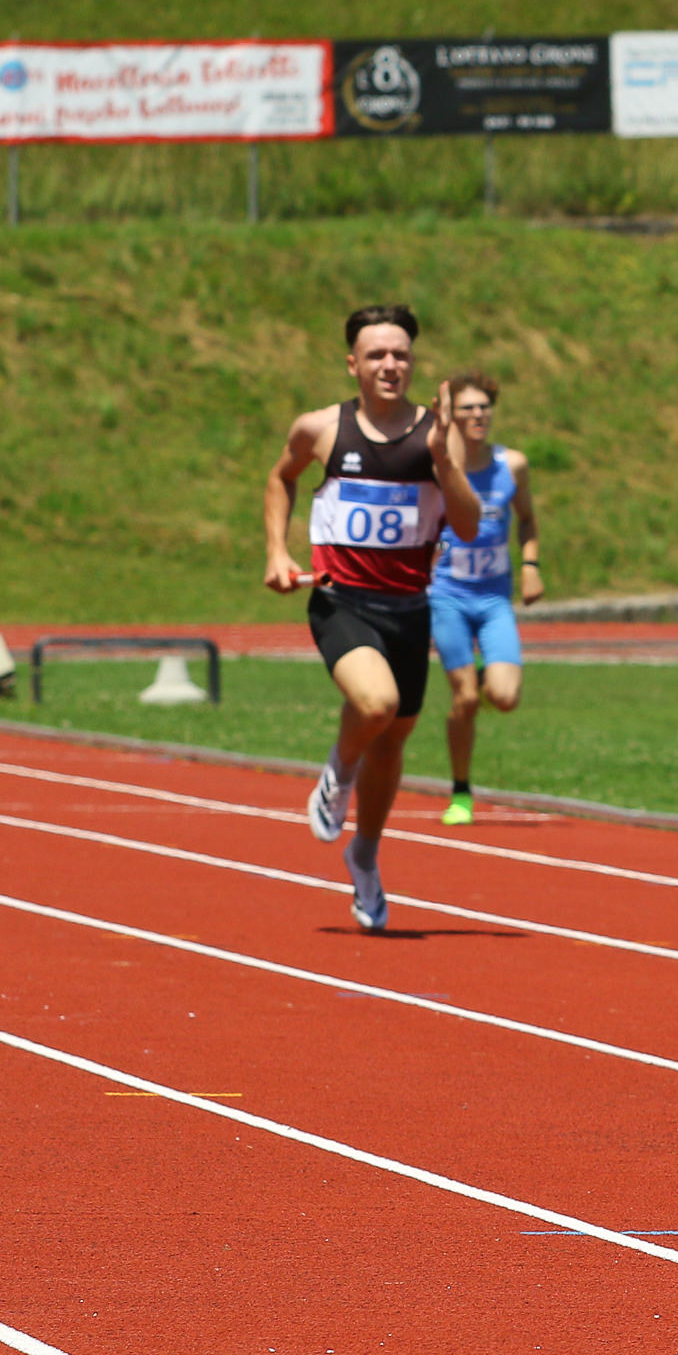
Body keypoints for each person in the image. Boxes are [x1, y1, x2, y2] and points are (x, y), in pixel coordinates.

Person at [264, 305, 478, 933]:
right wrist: (277, 551)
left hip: (409, 609)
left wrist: (443, 460)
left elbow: (468, 525)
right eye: (377, 354)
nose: (390, 364)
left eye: (401, 354)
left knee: (392, 744)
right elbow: (280, 479)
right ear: (352, 364)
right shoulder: (321, 429)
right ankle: (338, 769)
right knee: (375, 703)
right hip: (342, 601)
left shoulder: (436, 434)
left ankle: (364, 853)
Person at [426, 373, 543, 827]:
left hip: (494, 598)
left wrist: (530, 566)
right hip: (447, 596)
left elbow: (527, 519)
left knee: (505, 696)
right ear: (450, 415)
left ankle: (480, 682)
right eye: (467, 408)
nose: (478, 415)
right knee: (464, 700)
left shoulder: (512, 465)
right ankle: (461, 792)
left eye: (484, 407)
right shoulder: (436, 468)